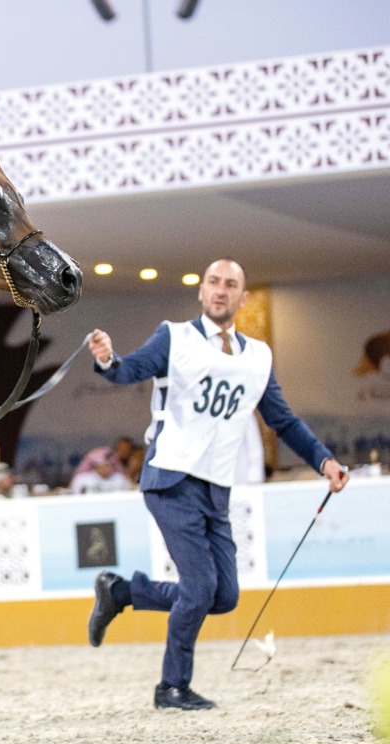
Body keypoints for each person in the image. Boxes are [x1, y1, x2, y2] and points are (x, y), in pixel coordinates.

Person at [85, 258, 349, 711]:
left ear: (244, 298)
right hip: (169, 477)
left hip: (215, 487)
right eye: (213, 283)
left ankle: (124, 592)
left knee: (222, 596)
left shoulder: (259, 356)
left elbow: (281, 421)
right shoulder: (175, 336)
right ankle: (172, 687)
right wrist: (109, 360)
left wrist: (322, 459)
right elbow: (130, 370)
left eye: (231, 285)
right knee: (201, 588)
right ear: (201, 292)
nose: (221, 290)